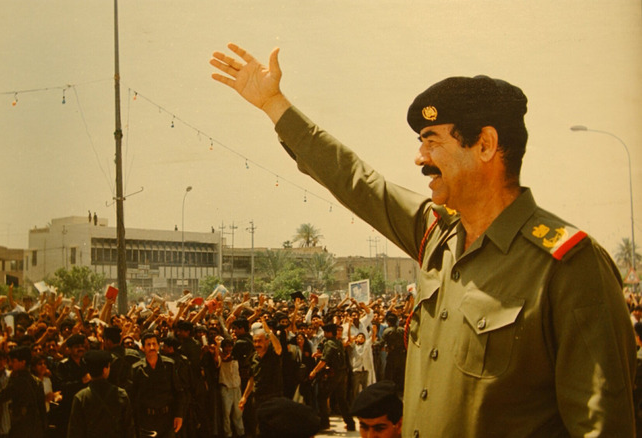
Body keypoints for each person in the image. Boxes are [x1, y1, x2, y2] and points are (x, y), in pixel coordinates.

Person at [210, 43, 636, 436]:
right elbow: (356, 181)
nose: (420, 158)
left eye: (432, 141)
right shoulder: (437, 234)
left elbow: (601, 427)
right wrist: (275, 106)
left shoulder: (569, 266)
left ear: (486, 145)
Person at [66, 350, 135, 438]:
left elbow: (74, 431)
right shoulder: (121, 394)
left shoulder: (80, 397)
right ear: (105, 370)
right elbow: (129, 429)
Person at [128, 331, 185, 438]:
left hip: (167, 419)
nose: (152, 347)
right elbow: (133, 397)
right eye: (148, 344)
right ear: (143, 348)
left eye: (154, 344)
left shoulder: (169, 365)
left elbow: (178, 392)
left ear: (158, 346)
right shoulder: (136, 369)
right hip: (146, 420)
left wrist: (179, 415)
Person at [0, 346, 47, 438]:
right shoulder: (37, 381)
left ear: (23, 362)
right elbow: (43, 411)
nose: (10, 364)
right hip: (36, 429)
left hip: (21, 428)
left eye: (13, 361)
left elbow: (2, 396)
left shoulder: (19, 381)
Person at [308, 323, 354, 431]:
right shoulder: (337, 342)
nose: (324, 334)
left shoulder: (329, 343)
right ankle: (350, 423)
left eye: (325, 332)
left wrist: (314, 371)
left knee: (322, 397)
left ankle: (325, 423)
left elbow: (324, 361)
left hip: (333, 374)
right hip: (342, 374)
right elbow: (332, 355)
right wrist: (319, 355)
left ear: (329, 333)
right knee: (341, 399)